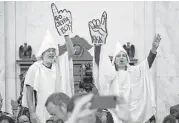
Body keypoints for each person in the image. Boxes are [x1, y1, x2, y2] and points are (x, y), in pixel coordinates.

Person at [88, 11, 161, 123]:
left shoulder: (134, 71)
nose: (121, 58)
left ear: (127, 60)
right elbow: (99, 65)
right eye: (118, 56)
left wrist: (154, 49)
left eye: (123, 56)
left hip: (133, 114)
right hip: (113, 114)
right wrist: (98, 45)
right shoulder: (110, 73)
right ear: (114, 61)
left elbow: (147, 64)